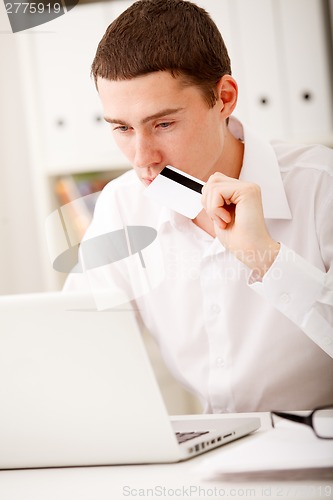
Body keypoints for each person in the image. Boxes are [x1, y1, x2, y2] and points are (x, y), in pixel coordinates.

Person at [64, 0, 333, 412]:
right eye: (122, 128)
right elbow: (79, 347)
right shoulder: (121, 204)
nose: (142, 158)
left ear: (224, 98)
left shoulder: (320, 185)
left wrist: (266, 258)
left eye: (164, 124)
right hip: (211, 458)